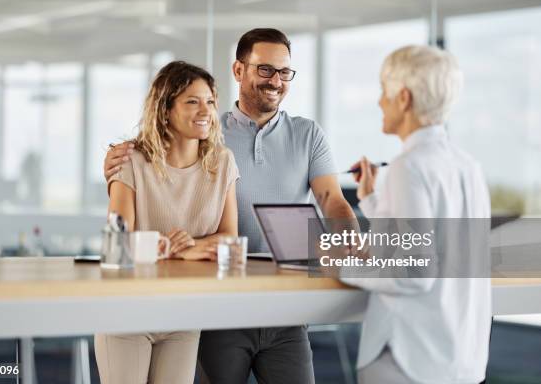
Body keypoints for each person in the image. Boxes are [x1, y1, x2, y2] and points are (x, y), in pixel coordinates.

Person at [104, 28, 355, 384]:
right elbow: (158, 170)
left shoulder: (307, 134)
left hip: (286, 305)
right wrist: (120, 169)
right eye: (265, 69)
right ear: (238, 71)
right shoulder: (207, 136)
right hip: (221, 303)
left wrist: (351, 243)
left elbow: (332, 199)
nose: (276, 81)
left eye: (285, 72)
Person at [344, 45, 491, 383]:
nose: (380, 101)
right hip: (459, 359)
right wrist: (370, 199)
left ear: (404, 98)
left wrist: (341, 266)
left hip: (410, 359)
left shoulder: (408, 167)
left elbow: (412, 271)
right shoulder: (468, 166)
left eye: (384, 91)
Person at [95, 61, 239, 384]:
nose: (205, 110)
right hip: (127, 313)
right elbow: (116, 243)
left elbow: (230, 236)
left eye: (210, 102)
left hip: (183, 314)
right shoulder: (130, 160)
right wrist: (171, 249)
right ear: (165, 109)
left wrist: (189, 249)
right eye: (192, 101)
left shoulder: (223, 162)